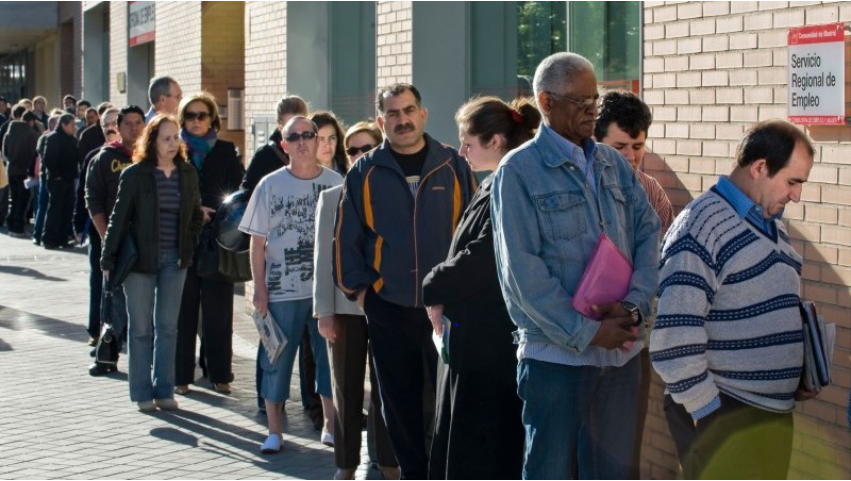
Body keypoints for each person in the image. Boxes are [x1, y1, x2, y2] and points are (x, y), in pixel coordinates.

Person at [490, 53, 661, 480]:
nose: (592, 110)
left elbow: (648, 233)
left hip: (620, 355)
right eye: (580, 101)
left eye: (595, 100)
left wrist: (635, 305)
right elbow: (522, 274)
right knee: (550, 471)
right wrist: (587, 332)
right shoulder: (518, 171)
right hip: (556, 362)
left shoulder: (612, 163)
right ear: (546, 102)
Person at [650, 119, 818, 479]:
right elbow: (672, 340)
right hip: (728, 418)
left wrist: (798, 369)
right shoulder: (701, 225)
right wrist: (709, 414)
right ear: (760, 167)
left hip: (767, 417)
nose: (796, 196)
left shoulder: (771, 224)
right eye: (792, 182)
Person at [334, 83, 476, 479]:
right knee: (398, 405)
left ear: (423, 114)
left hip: (447, 309)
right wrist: (363, 294)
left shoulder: (452, 164)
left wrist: (463, 292)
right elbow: (346, 239)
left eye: (409, 110)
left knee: (451, 399)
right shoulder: (364, 171)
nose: (403, 120)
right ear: (381, 122)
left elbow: (474, 233)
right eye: (393, 113)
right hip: (389, 308)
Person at [423, 96, 539, 480]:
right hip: (475, 337)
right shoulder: (496, 179)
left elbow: (484, 256)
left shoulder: (510, 183)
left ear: (495, 140)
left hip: (489, 344)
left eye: (468, 142)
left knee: (480, 446)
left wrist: (433, 285)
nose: (462, 152)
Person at [239, 116, 341, 453]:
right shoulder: (269, 184)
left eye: (307, 135)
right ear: (284, 145)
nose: (302, 142)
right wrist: (259, 288)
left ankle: (330, 425)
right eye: (293, 137)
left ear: (317, 140)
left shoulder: (336, 182)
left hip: (325, 292)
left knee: (328, 361)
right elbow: (256, 243)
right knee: (277, 360)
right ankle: (274, 431)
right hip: (281, 290)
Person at [594, 89, 674, 479]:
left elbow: (664, 266)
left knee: (623, 450)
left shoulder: (652, 194)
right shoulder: (577, 188)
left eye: (637, 146)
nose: (630, 155)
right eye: (619, 146)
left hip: (630, 337)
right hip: (576, 335)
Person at [101, 114, 203, 412]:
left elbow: (196, 214)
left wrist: (190, 242)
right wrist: (107, 258)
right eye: (166, 138)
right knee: (140, 329)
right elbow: (118, 219)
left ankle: (164, 390)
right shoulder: (135, 174)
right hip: (140, 262)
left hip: (176, 259)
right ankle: (141, 392)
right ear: (152, 141)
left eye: (176, 137)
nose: (173, 143)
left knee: (168, 327)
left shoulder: (188, 173)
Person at [315, 120, 398, 480]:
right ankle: (346, 464)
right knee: (346, 390)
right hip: (344, 308)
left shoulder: (395, 193)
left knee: (387, 389)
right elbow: (323, 258)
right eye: (353, 150)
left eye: (367, 148)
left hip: (388, 305)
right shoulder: (331, 196)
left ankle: (389, 462)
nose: (359, 155)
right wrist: (324, 311)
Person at [239, 94, 309, 413]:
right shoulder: (266, 159)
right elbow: (248, 195)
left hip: (308, 267)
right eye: (289, 129)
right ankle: (266, 400)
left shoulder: (317, 159)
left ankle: (312, 403)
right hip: (278, 267)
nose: (300, 138)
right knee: (274, 340)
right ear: (280, 127)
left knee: (311, 344)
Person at [174, 92, 245, 396]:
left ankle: (219, 374)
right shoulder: (174, 151)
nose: (196, 121)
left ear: (212, 119)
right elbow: (166, 193)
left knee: (218, 313)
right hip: (182, 240)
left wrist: (219, 217)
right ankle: (180, 376)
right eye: (190, 116)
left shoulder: (226, 151)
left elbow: (237, 192)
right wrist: (192, 211)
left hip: (217, 241)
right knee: (184, 311)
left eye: (202, 115)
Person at [82, 106, 138, 363]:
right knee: (111, 295)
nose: (134, 128)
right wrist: (106, 237)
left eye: (139, 123)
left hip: (144, 240)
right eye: (128, 123)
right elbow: (92, 199)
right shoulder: (104, 158)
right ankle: (107, 352)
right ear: (119, 126)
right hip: (111, 238)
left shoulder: (151, 156)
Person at [241, 95, 309, 195]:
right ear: (279, 126)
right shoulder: (264, 157)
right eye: (290, 127)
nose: (297, 132)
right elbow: (247, 193)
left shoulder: (317, 150)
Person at [42, 113, 80, 249]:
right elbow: (48, 159)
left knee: (67, 210)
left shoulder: (72, 139)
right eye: (72, 125)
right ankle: (49, 239)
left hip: (69, 179)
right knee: (55, 210)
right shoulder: (54, 138)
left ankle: (62, 238)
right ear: (63, 125)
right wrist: (56, 174)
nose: (74, 127)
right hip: (57, 180)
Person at [2, 111, 38, 237]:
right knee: (23, 199)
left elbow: (5, 153)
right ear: (31, 121)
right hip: (24, 170)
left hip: (11, 169)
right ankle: (18, 228)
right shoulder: (32, 134)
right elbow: (33, 154)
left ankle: (11, 224)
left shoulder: (9, 132)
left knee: (15, 198)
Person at [32, 114, 61, 246]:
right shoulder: (46, 137)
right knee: (43, 205)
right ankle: (38, 234)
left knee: (45, 206)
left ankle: (41, 234)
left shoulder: (50, 137)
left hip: (47, 175)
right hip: (46, 175)